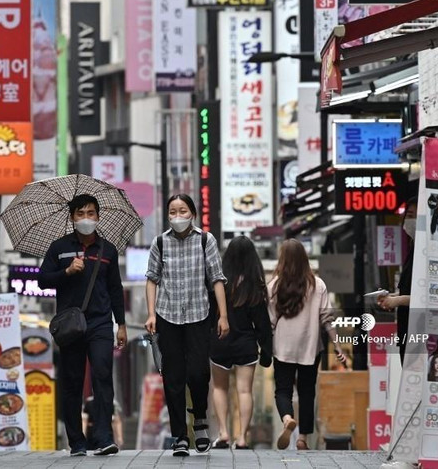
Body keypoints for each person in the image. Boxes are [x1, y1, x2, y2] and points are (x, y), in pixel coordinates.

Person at [37, 194, 126, 457]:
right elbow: (42, 280)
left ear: (98, 217)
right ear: (72, 217)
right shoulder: (59, 248)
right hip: (71, 325)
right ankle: (77, 441)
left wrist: (121, 324)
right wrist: (66, 272)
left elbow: (115, 289)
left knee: (102, 375)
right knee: (72, 382)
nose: (86, 219)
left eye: (90, 213)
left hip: (100, 323)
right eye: (80, 214)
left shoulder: (107, 250)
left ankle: (103, 437)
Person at [145, 194, 230, 457]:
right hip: (167, 316)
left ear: (192, 213)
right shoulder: (160, 242)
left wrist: (223, 316)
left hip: (198, 314)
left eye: (182, 210)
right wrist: (151, 314)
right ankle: (180, 436)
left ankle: (200, 420)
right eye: (173, 211)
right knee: (173, 378)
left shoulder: (206, 240)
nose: (178, 215)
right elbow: (152, 279)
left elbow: (217, 279)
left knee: (198, 373)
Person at [267, 239, 345, 451]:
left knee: (282, 390)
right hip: (310, 346)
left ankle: (286, 419)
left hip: (283, 347)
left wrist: (267, 345)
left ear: (282, 260)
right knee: (307, 391)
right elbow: (326, 318)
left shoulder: (273, 286)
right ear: (304, 259)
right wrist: (337, 345)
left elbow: (271, 322)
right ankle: (302, 438)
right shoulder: (318, 285)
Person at [209, 236, 272, 450]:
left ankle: (223, 433)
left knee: (219, 387)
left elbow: (209, 315)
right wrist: (266, 349)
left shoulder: (218, 283)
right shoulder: (254, 285)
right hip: (246, 343)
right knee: (244, 390)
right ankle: (243, 437)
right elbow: (262, 322)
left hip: (220, 340)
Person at [378, 197, 417, 363]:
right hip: (406, 329)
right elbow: (410, 289)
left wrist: (398, 300)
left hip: (418, 331)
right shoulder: (413, 247)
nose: (410, 220)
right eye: (408, 215)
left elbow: (428, 296)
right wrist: (394, 297)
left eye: (415, 215)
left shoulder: (428, 253)